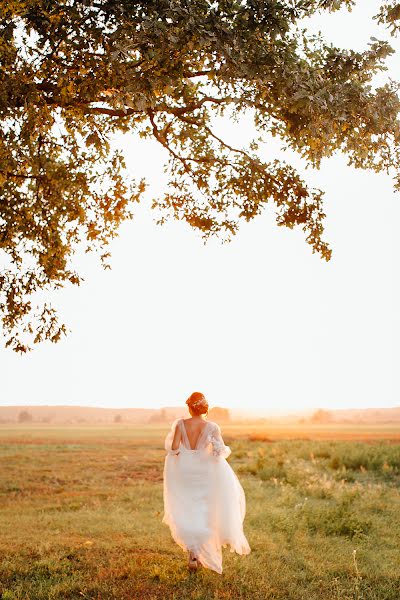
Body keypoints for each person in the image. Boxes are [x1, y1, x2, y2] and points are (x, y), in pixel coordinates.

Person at [162, 392, 251, 574]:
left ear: (189, 407)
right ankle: (197, 552)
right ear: (204, 408)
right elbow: (220, 451)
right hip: (205, 471)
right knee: (205, 508)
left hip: (186, 471)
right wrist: (216, 449)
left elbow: (174, 449)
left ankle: (194, 553)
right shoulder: (212, 427)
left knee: (188, 507)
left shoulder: (180, 424)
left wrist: (186, 457)